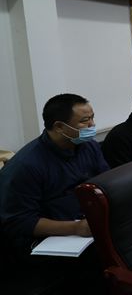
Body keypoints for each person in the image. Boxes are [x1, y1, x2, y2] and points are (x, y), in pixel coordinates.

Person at [0, 94, 109, 258]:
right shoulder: (26, 166)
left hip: (90, 224)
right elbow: (19, 221)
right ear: (59, 127)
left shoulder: (89, 147)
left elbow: (106, 181)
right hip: (51, 241)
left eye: (92, 118)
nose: (92, 124)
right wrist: (76, 228)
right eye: (85, 120)